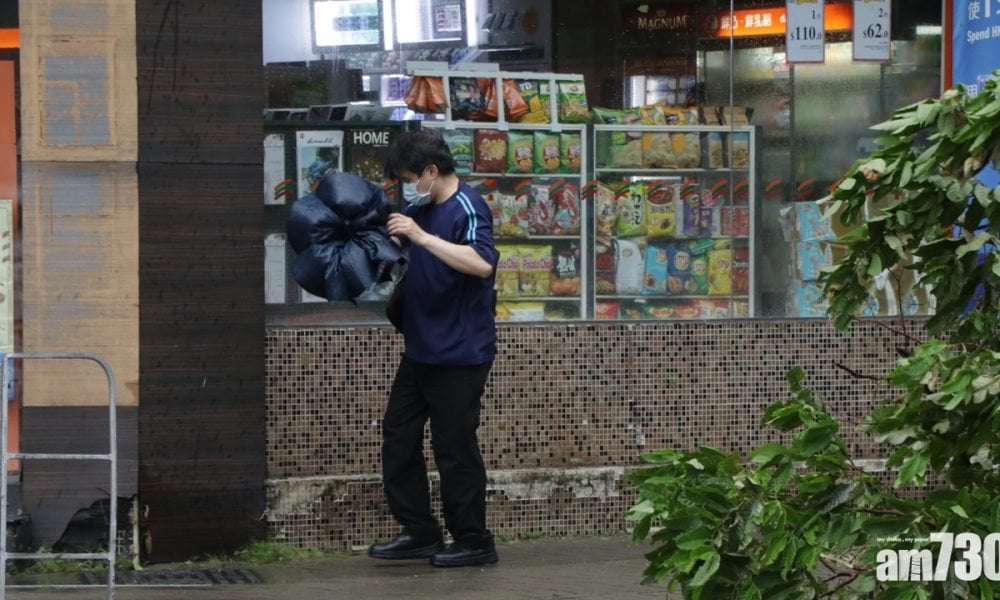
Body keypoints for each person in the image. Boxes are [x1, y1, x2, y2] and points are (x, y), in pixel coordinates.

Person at [368, 129, 499, 568]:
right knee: (398, 438)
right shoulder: (418, 207)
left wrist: (421, 238)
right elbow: (401, 248)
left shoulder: (469, 206)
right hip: (420, 348)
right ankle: (420, 531)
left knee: (454, 447)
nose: (409, 185)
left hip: (460, 354)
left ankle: (474, 540)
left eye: (410, 176)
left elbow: (481, 264)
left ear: (430, 171)